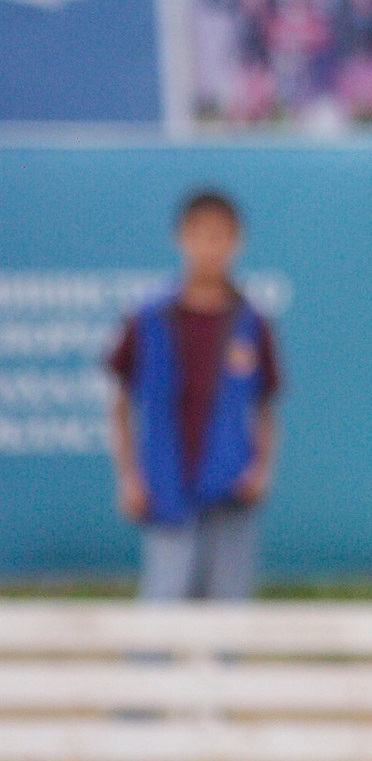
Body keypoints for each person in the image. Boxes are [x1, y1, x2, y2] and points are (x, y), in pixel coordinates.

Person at [105, 188, 282, 601]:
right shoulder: (148, 315)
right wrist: (128, 477)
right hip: (165, 486)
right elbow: (119, 401)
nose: (210, 247)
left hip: (230, 487)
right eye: (201, 234)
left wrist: (259, 470)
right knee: (162, 609)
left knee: (226, 618)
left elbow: (265, 407)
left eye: (221, 236)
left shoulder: (252, 320)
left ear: (237, 242)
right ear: (181, 238)